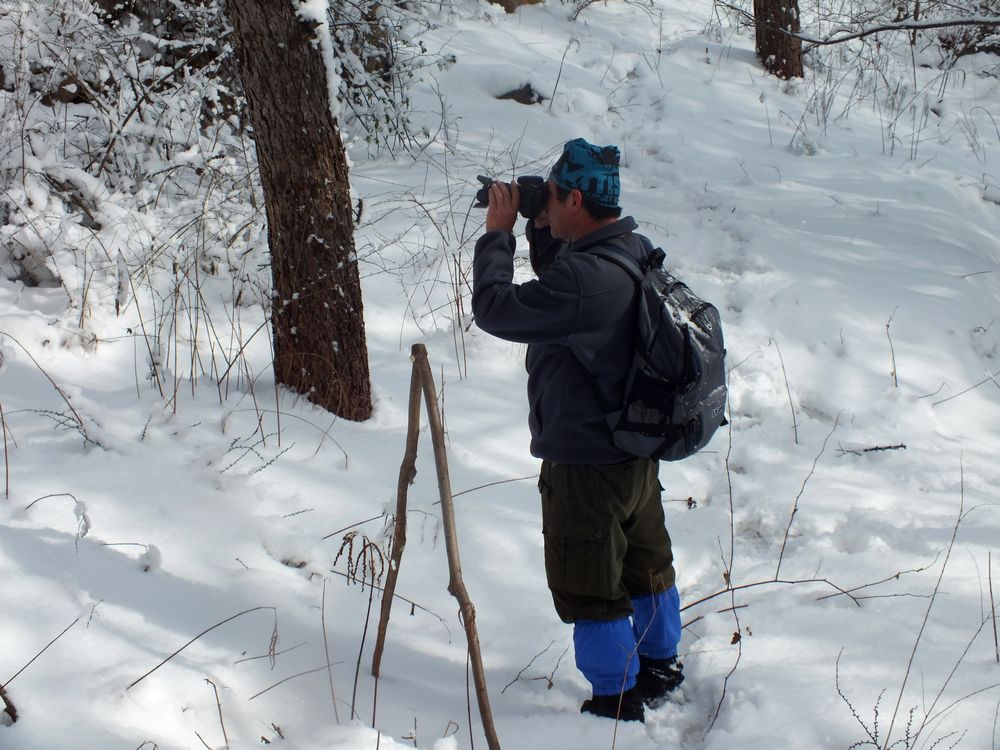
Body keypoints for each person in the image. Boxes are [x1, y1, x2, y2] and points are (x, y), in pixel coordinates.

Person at [471, 138, 684, 723]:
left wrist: (499, 232)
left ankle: (615, 701)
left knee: (590, 585)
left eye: (554, 193)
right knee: (648, 564)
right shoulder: (627, 250)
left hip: (586, 464)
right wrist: (543, 217)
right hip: (634, 454)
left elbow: (496, 309)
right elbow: (563, 282)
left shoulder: (586, 281)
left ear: (574, 199)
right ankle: (661, 664)